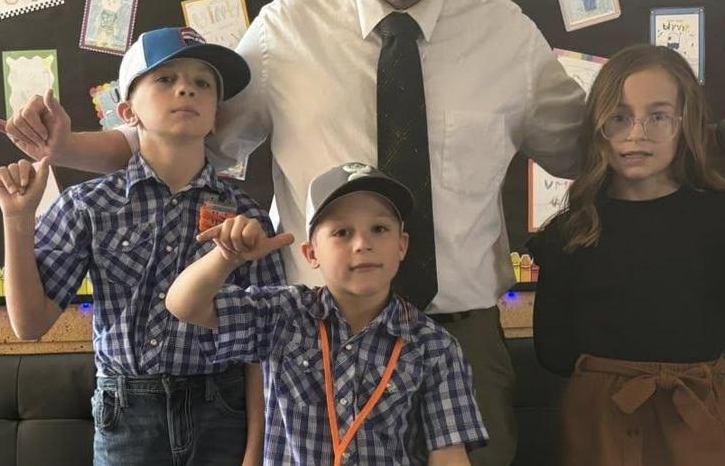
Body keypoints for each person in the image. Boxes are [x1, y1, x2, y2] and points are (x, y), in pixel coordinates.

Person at [0, 0, 725, 463]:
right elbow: (180, 133)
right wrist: (65, 149)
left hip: (460, 333)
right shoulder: (283, 33)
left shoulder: (506, 33)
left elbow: (599, 147)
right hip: (310, 333)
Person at [0, 27, 285, 466]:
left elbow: (263, 348)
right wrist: (17, 219)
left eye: (203, 83)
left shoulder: (246, 218)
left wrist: (258, 448)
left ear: (215, 116)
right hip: (127, 413)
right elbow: (29, 324)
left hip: (224, 409)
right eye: (165, 79)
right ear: (128, 111)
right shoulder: (89, 206)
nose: (186, 88)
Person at [529, 45, 725, 466]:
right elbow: (552, 353)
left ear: (688, 125)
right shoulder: (569, 233)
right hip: (600, 432)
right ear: (598, 127)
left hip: (696, 426)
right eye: (619, 116)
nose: (636, 132)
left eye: (658, 116)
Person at [166, 163, 487, 465]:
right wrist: (227, 259)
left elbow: (449, 455)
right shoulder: (283, 314)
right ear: (311, 253)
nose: (362, 243)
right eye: (342, 233)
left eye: (379, 228)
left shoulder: (433, 346)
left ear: (402, 246)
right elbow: (184, 305)